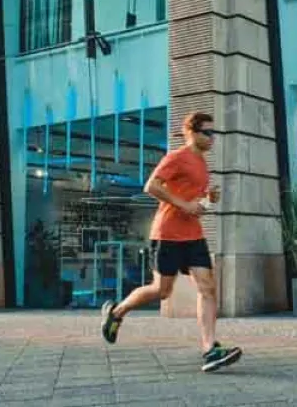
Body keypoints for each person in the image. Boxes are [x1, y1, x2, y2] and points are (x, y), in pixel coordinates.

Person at [100, 112, 242, 373]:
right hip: (167, 234)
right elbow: (151, 186)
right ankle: (117, 312)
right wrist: (185, 204)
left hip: (194, 235)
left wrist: (209, 199)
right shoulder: (177, 157)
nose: (212, 138)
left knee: (207, 288)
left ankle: (210, 348)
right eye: (207, 133)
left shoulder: (202, 164)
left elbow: (196, 205)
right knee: (161, 291)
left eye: (214, 133)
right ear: (192, 132)